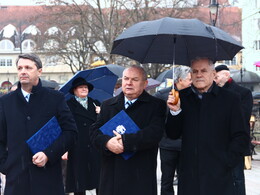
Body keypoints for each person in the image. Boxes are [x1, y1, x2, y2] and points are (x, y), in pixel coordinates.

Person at [165, 57, 249, 195]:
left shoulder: (230, 99)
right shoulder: (181, 98)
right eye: (195, 71)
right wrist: (175, 112)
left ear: (213, 74)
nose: (199, 75)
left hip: (220, 174)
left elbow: (241, 135)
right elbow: (172, 134)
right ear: (190, 75)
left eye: (203, 71)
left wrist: (227, 161)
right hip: (189, 174)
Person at [0, 53, 77, 195]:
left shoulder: (55, 98)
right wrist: (5, 165)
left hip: (48, 177)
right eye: (20, 68)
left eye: (28, 67)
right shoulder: (6, 102)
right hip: (16, 179)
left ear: (39, 71)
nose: (23, 71)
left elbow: (70, 132)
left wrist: (49, 154)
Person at [90, 65, 166, 195]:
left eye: (135, 79)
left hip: (140, 174)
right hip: (112, 173)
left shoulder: (156, 105)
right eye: (126, 79)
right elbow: (94, 132)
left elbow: (154, 133)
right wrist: (107, 143)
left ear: (145, 83)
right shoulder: (108, 105)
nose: (129, 83)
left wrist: (125, 141)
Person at [215, 64, 253, 195]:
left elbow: (243, 118)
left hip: (235, 143)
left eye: (217, 76)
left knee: (237, 178)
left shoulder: (243, 93)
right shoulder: (214, 93)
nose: (215, 79)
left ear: (226, 75)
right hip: (218, 142)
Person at [154, 66, 191, 195]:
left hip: (187, 144)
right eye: (189, 79)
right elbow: (156, 119)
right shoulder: (162, 95)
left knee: (186, 179)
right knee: (167, 180)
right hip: (167, 144)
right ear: (180, 80)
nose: (192, 82)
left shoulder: (194, 95)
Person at [62, 77, 101, 195]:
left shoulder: (96, 103)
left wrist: (101, 113)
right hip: (77, 145)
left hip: (94, 144)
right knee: (79, 178)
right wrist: (65, 148)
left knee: (99, 176)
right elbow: (64, 126)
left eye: (86, 87)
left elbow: (103, 123)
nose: (84, 89)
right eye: (81, 87)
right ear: (74, 90)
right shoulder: (68, 105)